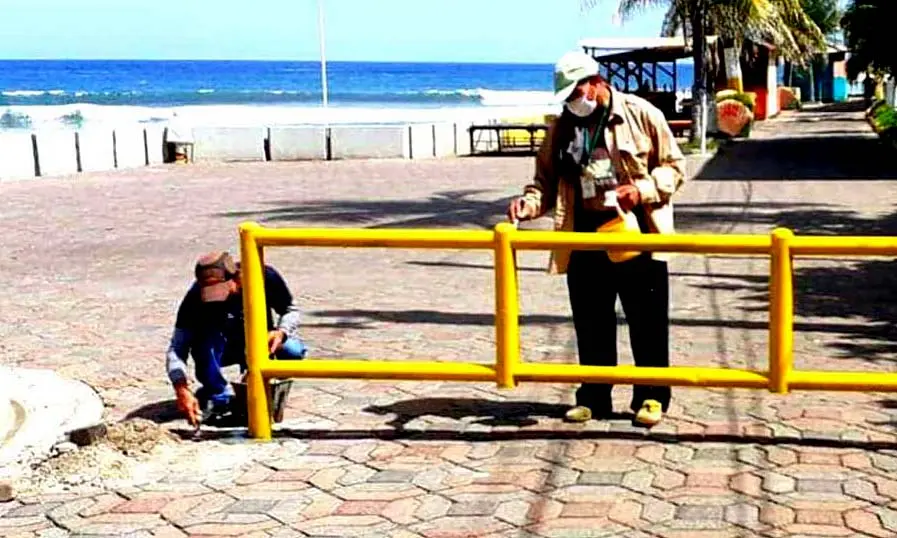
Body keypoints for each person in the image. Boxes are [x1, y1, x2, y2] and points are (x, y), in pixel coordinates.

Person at [507, 51, 686, 427]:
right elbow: (544, 183)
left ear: (596, 81)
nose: (573, 101)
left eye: (576, 92)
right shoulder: (561, 128)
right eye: (567, 96)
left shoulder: (640, 114)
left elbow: (674, 167)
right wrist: (528, 205)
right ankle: (593, 395)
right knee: (591, 323)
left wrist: (641, 190)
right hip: (585, 236)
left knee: (648, 322)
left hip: (637, 234)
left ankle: (652, 397)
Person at [165, 251, 307, 426]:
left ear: (235, 278)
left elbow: (290, 310)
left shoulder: (264, 277)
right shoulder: (195, 297)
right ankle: (217, 394)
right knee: (203, 342)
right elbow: (177, 347)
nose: (214, 297)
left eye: (219, 289)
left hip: (262, 343)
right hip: (221, 348)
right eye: (208, 291)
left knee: (293, 351)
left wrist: (281, 332)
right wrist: (180, 388)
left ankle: (265, 384)